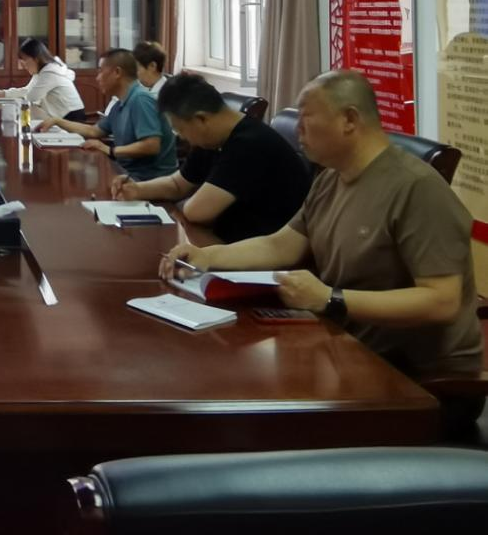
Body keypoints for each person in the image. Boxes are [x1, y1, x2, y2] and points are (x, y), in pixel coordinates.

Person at [161, 71, 483, 434]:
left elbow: (441, 301)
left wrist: (330, 298)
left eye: (306, 117)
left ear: (349, 120)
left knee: (247, 425)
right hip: (347, 352)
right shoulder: (331, 178)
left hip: (418, 383)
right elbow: (281, 244)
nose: (297, 129)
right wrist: (207, 257)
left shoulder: (417, 189)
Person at [114, 72, 312, 242]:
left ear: (201, 119)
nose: (182, 137)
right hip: (227, 242)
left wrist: (185, 203)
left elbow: (197, 212)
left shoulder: (250, 144)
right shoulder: (211, 139)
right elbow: (177, 185)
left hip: (261, 254)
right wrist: (136, 189)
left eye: (180, 129)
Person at [40, 47, 176, 180]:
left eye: (100, 71)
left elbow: (151, 146)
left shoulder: (140, 99)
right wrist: (57, 121)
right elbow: (94, 131)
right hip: (128, 174)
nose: (98, 78)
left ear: (117, 72)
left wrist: (110, 150)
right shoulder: (121, 102)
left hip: (149, 180)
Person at [0, 38, 86, 120]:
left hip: (72, 117)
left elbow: (30, 98)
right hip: (61, 115)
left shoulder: (50, 73)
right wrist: (4, 93)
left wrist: (3, 104)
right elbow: (27, 90)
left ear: (36, 58)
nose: (23, 65)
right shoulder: (41, 72)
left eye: (25, 60)